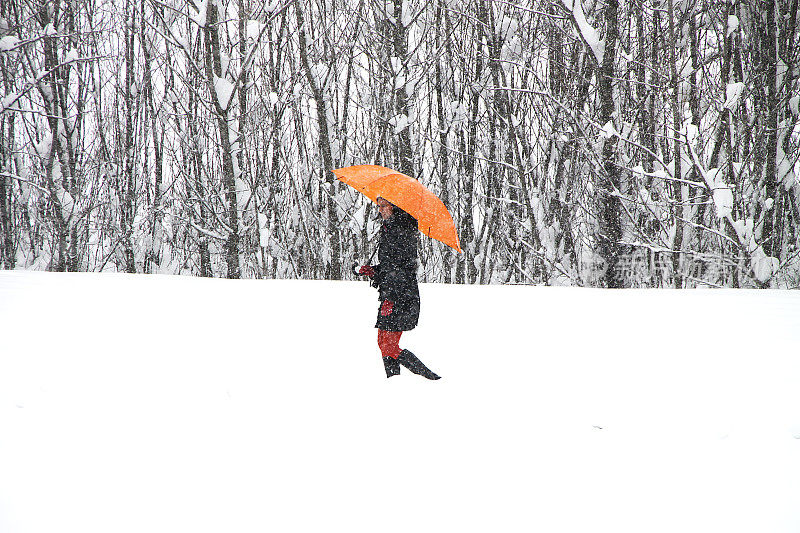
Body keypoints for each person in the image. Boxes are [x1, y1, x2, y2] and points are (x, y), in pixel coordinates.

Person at [358, 197, 440, 380]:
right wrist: (372, 271)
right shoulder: (389, 229)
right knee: (383, 343)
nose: (380, 210)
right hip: (392, 293)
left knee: (389, 346)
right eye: (378, 206)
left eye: (383, 206)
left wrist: (391, 298)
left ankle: (433, 380)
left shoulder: (402, 230)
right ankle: (395, 384)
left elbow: (402, 270)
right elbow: (389, 267)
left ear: (394, 207)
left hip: (402, 296)